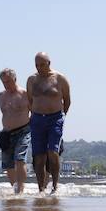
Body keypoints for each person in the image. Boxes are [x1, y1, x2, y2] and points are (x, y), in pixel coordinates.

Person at [27, 52, 71, 194]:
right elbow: (29, 100)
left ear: (49, 63)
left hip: (55, 118)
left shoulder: (60, 78)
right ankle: (41, 188)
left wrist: (61, 116)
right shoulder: (32, 80)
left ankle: (55, 186)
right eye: (37, 65)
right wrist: (35, 113)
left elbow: (67, 100)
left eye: (42, 65)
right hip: (37, 119)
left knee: (52, 152)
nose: (39, 68)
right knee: (38, 156)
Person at [0, 68, 30, 194]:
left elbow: (33, 111)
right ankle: (15, 188)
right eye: (4, 82)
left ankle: (21, 189)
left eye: (9, 82)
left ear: (15, 79)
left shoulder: (24, 94)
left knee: (20, 158)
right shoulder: (1, 96)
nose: (7, 85)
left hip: (23, 130)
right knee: (7, 164)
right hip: (7, 133)